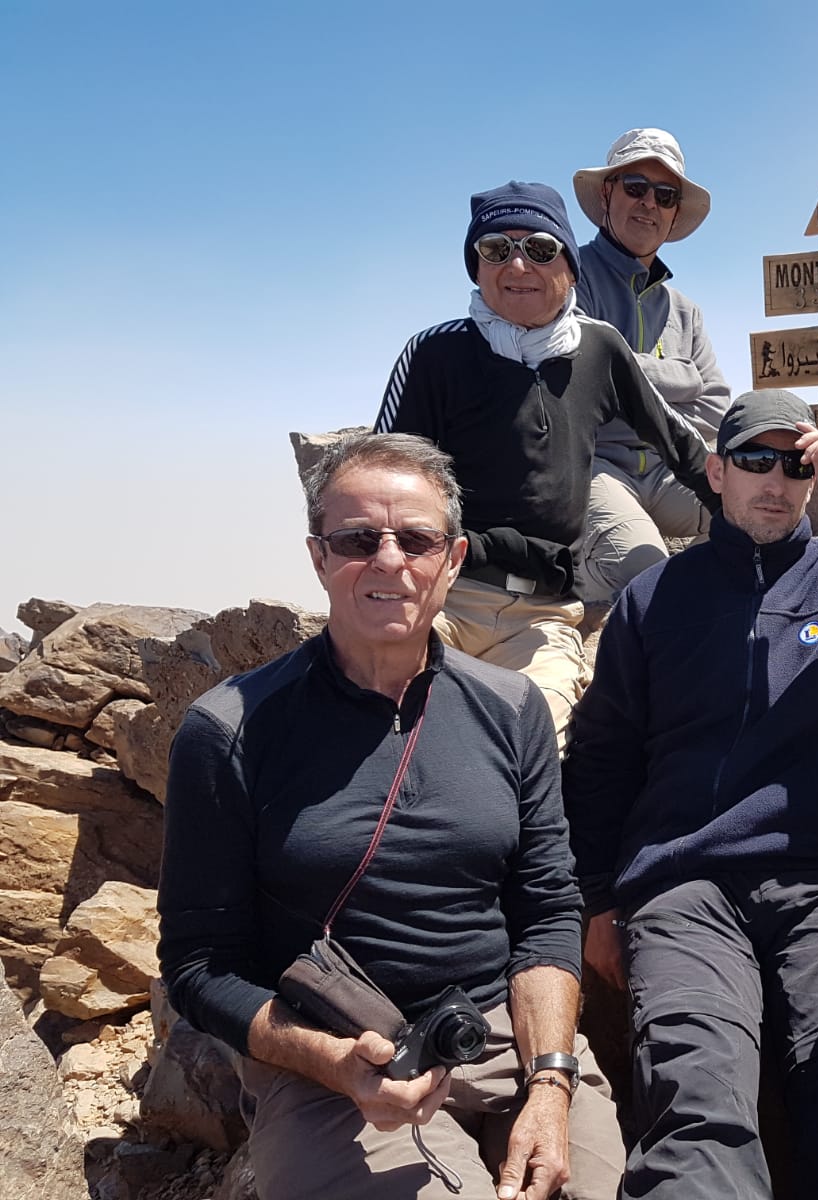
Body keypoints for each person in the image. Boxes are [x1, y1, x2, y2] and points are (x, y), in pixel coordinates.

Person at [156, 433, 626, 1200]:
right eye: (356, 540)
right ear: (317, 556)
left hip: (505, 1037)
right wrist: (329, 1063)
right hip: (331, 1057)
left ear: (454, 556)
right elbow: (198, 964)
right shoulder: (231, 731)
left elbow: (544, 909)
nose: (388, 560)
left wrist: (551, 1082)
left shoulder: (511, 712)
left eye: (415, 539)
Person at [562, 389, 818, 1197]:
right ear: (716, 472)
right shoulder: (655, 599)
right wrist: (596, 899)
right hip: (684, 887)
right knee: (698, 1100)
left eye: (798, 464)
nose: (777, 480)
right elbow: (604, 757)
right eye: (755, 460)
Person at [375, 180, 715, 740]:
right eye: (494, 249)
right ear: (475, 267)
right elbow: (379, 481)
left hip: (546, 613)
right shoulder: (436, 352)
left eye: (538, 248)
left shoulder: (599, 348)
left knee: (536, 749)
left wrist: (752, 519)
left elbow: (679, 444)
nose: (517, 264)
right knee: (391, 737)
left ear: (570, 268)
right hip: (442, 594)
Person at [571, 127, 732, 602]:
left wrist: (623, 378)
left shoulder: (684, 310)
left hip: (670, 472)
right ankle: (568, 584)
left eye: (665, 195)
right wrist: (683, 376)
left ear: (674, 211)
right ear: (607, 193)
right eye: (635, 187)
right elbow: (581, 381)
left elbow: (715, 410)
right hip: (596, 468)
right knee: (645, 571)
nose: (650, 204)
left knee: (764, 518)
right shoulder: (566, 277)